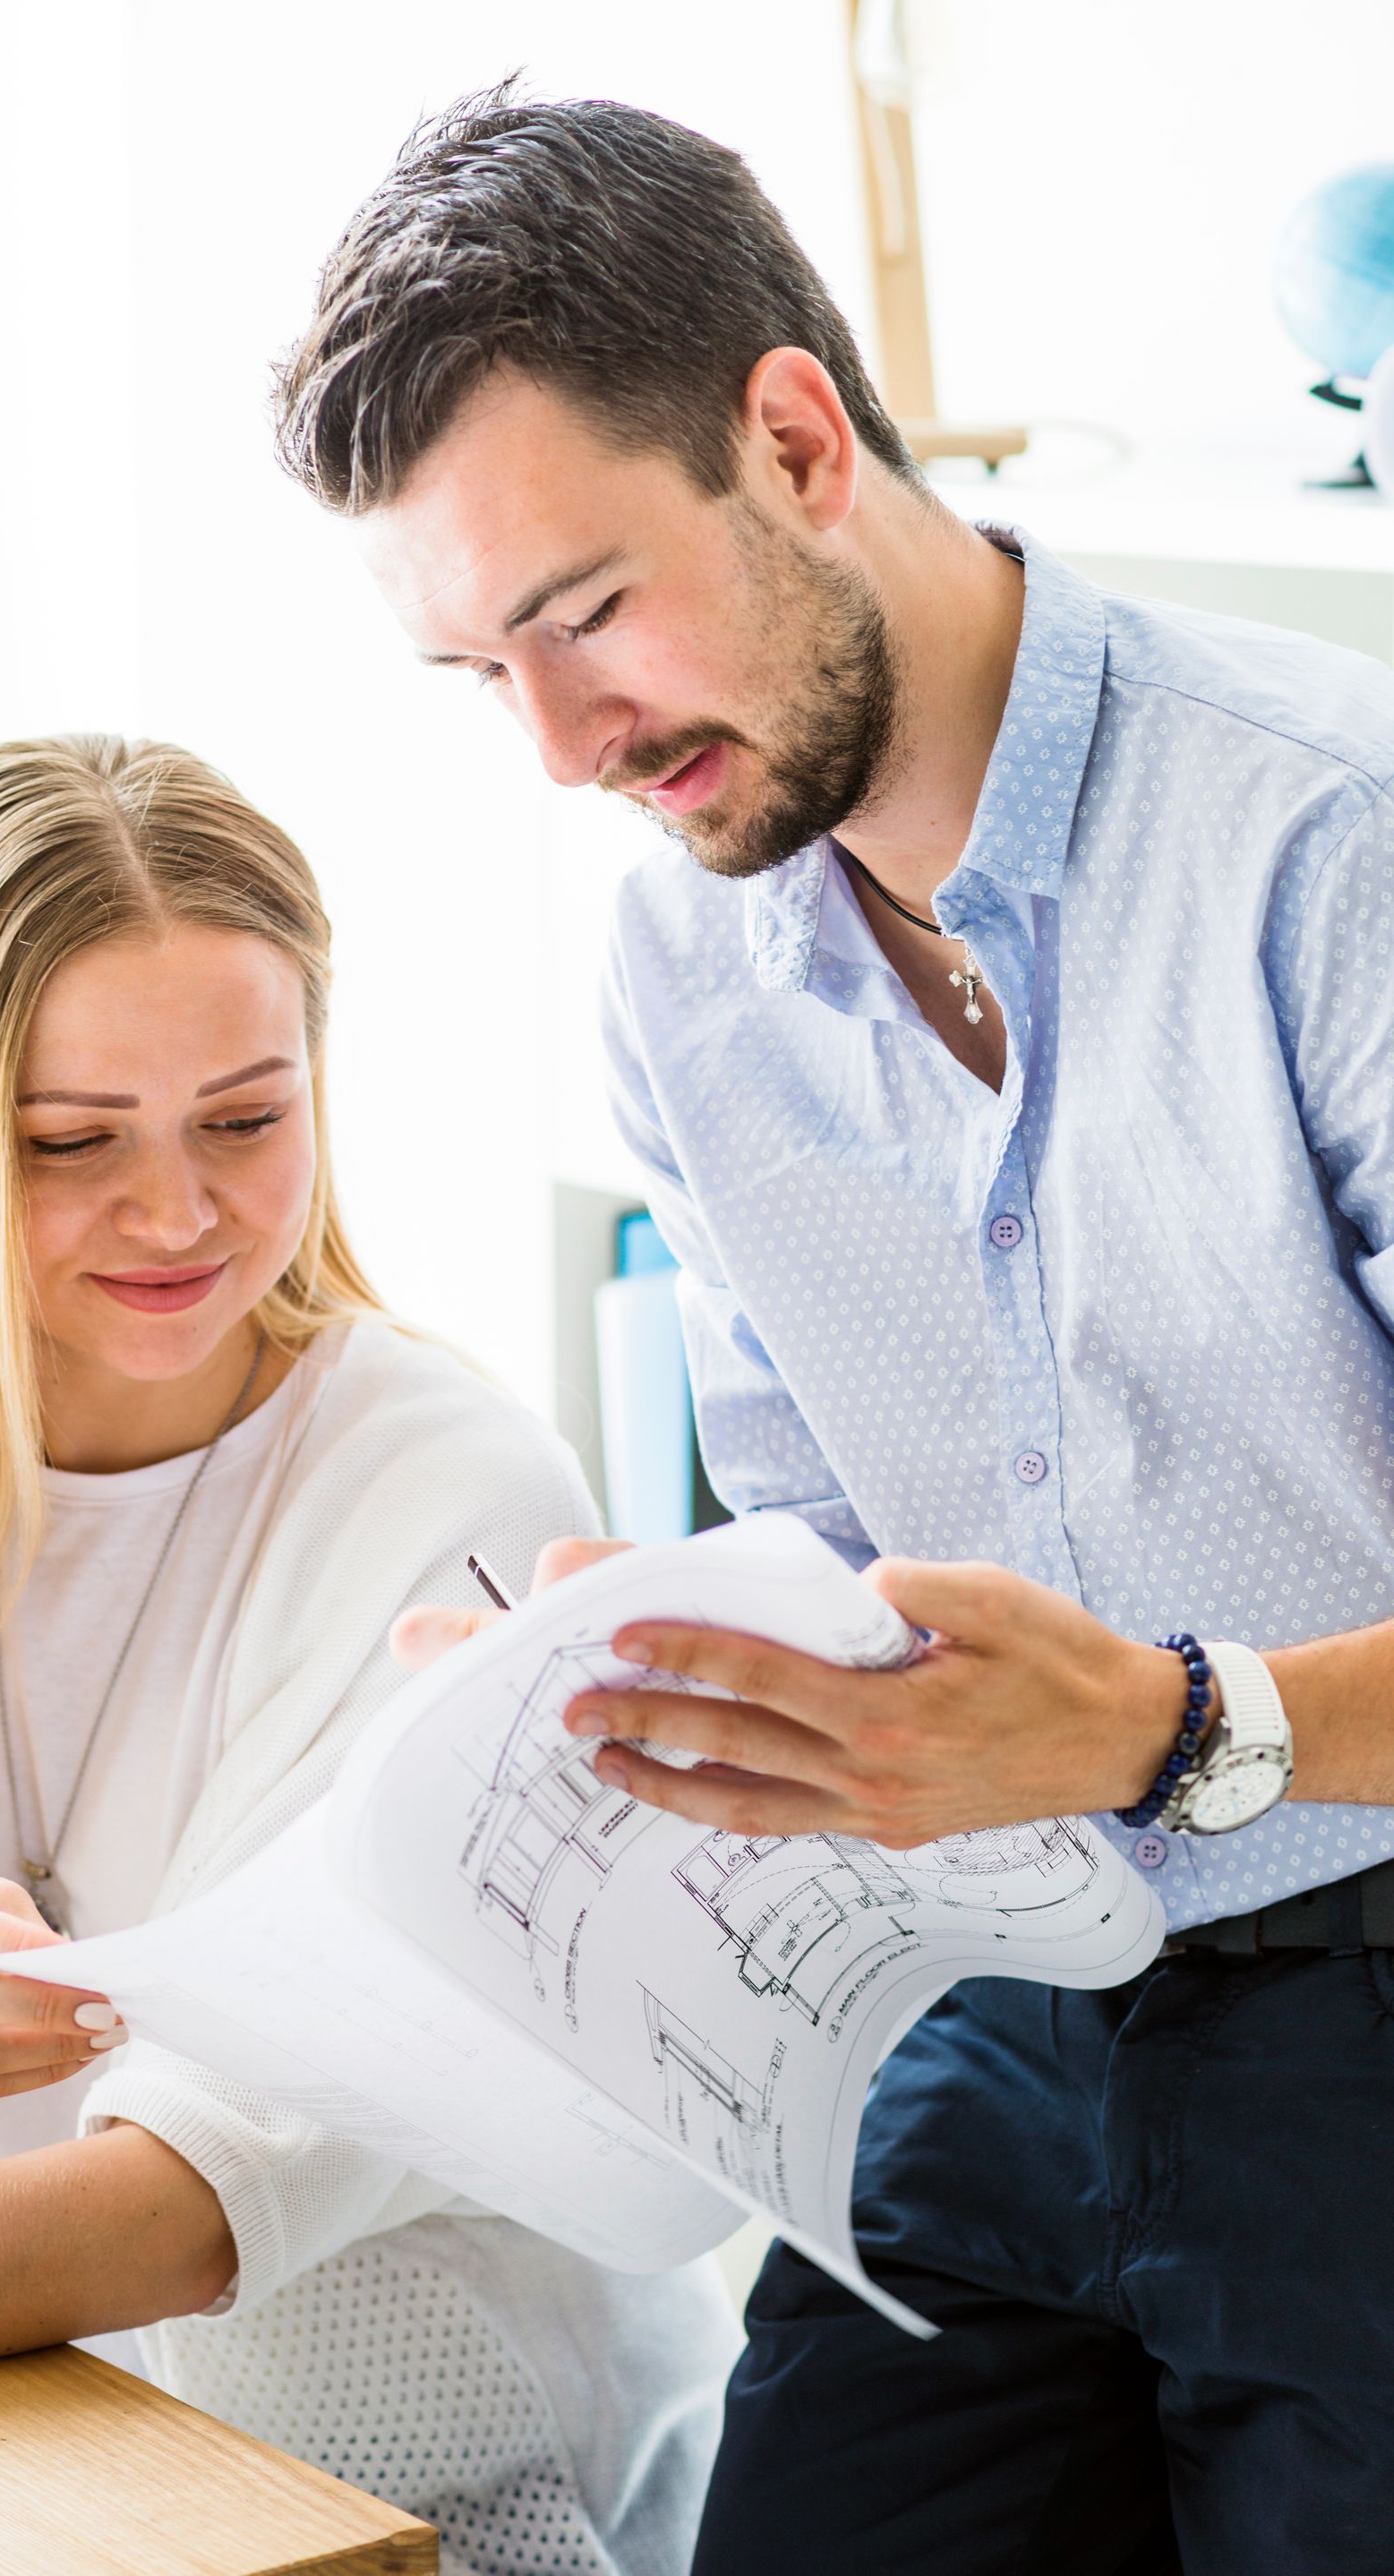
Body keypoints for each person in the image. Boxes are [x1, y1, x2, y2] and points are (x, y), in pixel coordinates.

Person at [272, 83, 1394, 2576]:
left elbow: (1188, 1718)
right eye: (484, 673)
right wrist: (641, 1656)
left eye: (582, 617)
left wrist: (1204, 1721)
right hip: (967, 2012)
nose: (564, 747)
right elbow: (820, 1535)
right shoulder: (685, 963)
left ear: (793, 434)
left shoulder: (1331, 850)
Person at [0, 733, 735, 2574]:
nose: (176, 1214)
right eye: (74, 1143)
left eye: (246, 1120)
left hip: (406, 2497)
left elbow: (201, 2194)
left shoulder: (445, 1484)